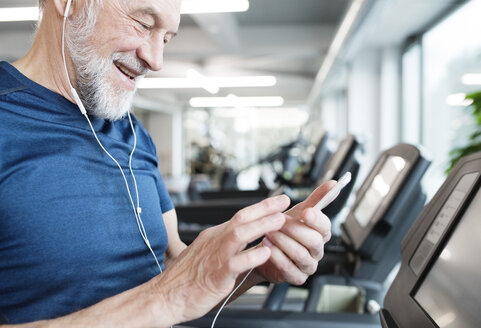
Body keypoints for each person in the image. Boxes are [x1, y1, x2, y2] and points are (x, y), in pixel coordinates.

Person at [0, 0, 335, 326]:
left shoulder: (133, 134)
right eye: (144, 24)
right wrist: (161, 299)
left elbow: (177, 268)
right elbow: (169, 293)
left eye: (166, 38)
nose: (156, 59)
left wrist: (259, 261)